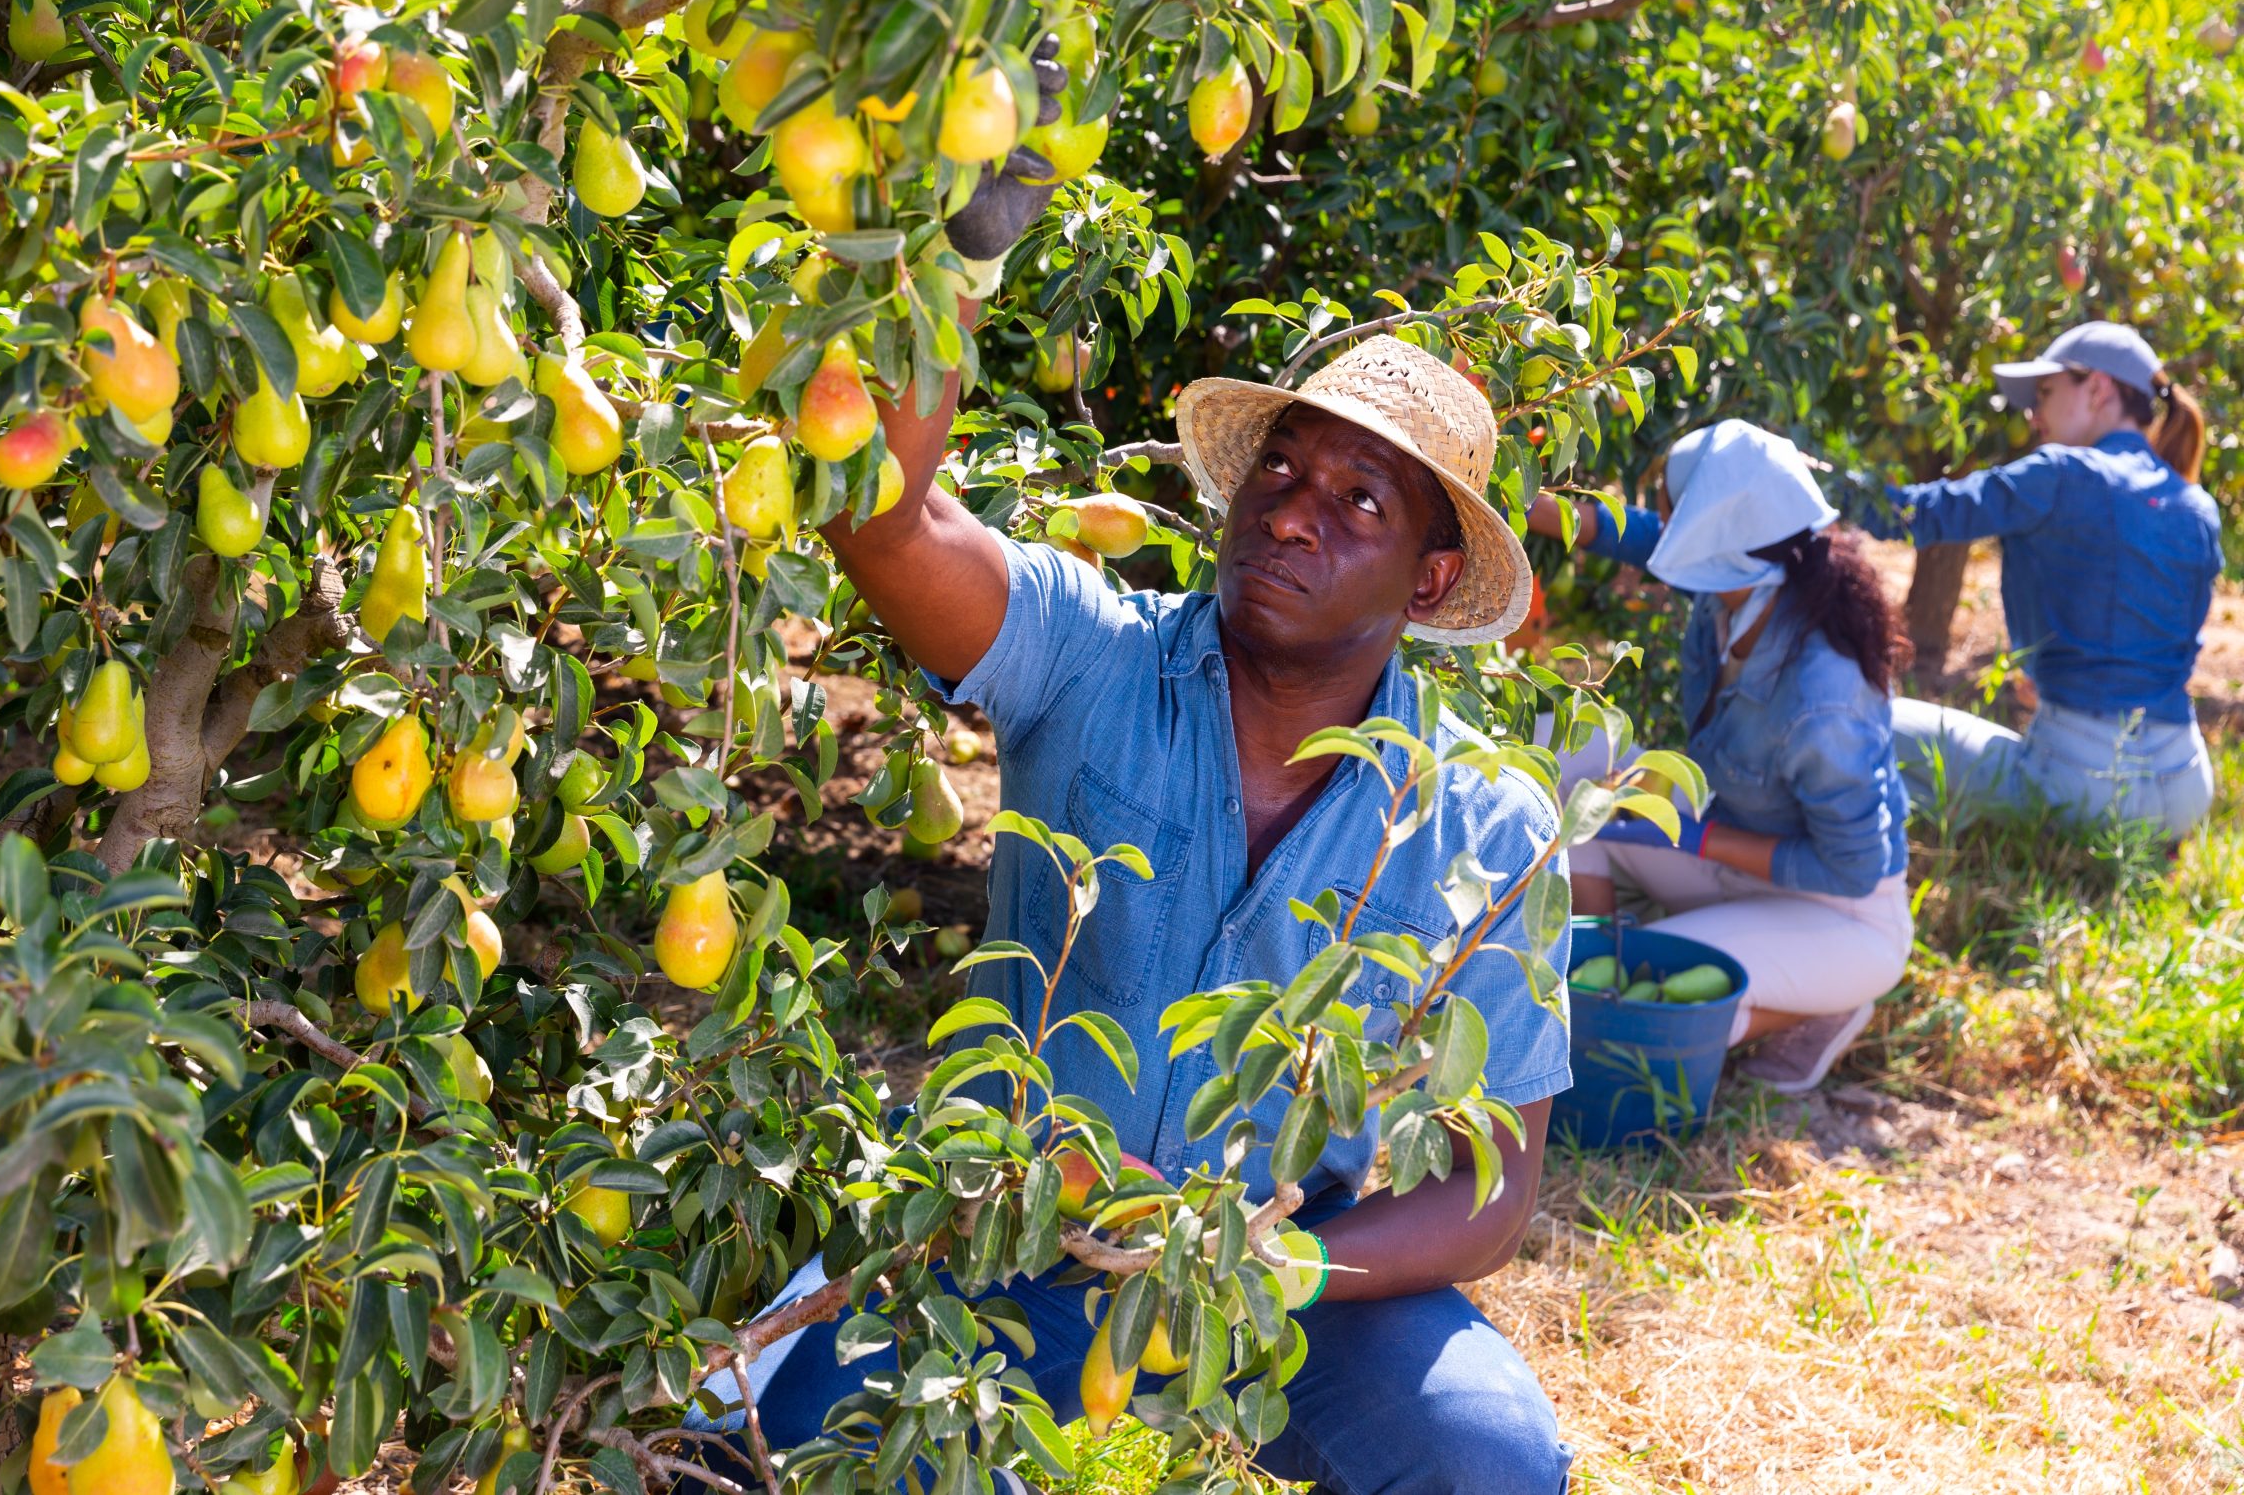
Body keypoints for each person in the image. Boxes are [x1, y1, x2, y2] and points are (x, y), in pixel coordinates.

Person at [720, 335, 1578, 1494]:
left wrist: (1270, 1270)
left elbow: (1491, 1190)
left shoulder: (1480, 824)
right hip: (997, 1233)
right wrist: (954, 267)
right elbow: (882, 522)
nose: (1288, 516)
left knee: (1485, 1461)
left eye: (1357, 500)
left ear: (1426, 582)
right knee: (774, 1464)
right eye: (1279, 471)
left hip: (1276, 1274)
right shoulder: (1090, 657)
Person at [1528, 421, 1913, 1095]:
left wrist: (1698, 835)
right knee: (1570, 769)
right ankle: (1596, 958)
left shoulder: (1825, 699)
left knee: (1650, 1013)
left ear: (1710, 528)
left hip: (1837, 912)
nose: (1664, 518)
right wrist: (1533, 506)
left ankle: (1817, 999)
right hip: (1735, 843)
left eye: (1675, 507)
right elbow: (1642, 536)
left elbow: (1851, 870)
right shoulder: (1742, 577)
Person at [1864, 322, 2220, 838]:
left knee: (1872, 726)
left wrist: (1816, 484)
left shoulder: (2059, 472)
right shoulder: (2198, 507)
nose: (2033, 417)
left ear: (2098, 389)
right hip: (2186, 785)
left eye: (2045, 393)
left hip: (2085, 789)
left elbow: (1924, 513)